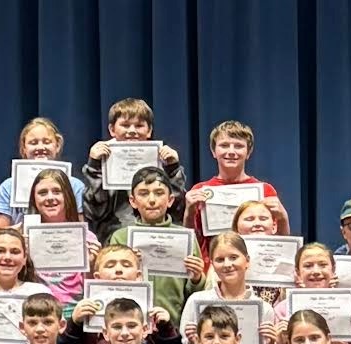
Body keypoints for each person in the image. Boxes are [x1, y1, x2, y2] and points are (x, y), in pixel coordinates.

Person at [107, 167, 205, 322]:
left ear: (170, 200)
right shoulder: (121, 237)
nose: (152, 200)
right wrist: (129, 265)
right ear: (133, 201)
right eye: (144, 193)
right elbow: (110, 285)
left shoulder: (185, 238)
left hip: (173, 325)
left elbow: (195, 293)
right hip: (131, 325)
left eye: (159, 193)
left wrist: (197, 278)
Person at [63, 245, 182, 344]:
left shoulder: (151, 314)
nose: (118, 270)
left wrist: (166, 330)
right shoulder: (85, 312)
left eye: (126, 265)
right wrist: (74, 324)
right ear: (97, 277)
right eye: (110, 265)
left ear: (138, 276)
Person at [83, 98, 187, 240]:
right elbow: (94, 213)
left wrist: (173, 169)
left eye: (139, 126)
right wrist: (94, 167)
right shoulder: (101, 161)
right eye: (125, 125)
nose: (132, 131)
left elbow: (177, 209)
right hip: (116, 241)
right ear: (112, 129)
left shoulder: (163, 159)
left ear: (149, 130)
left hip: (159, 238)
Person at [179, 232, 282, 344]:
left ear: (247, 261)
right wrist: (191, 342)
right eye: (220, 260)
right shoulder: (196, 301)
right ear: (212, 264)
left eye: (233, 257)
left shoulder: (263, 309)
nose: (227, 264)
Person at [183, 121, 289, 258]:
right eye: (224, 145)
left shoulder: (265, 190)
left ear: (248, 152)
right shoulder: (200, 190)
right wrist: (189, 213)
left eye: (238, 146)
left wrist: (283, 216)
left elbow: (281, 245)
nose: (231, 151)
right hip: (213, 269)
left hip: (255, 265)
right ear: (213, 151)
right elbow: (192, 246)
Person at [269, 243, 351, 344]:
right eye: (308, 266)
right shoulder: (282, 310)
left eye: (323, 265)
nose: (316, 271)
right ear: (297, 272)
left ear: (333, 269)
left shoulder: (350, 308)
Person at [23, 168, 100, 311]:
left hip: (75, 310)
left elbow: (94, 291)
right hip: (36, 310)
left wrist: (91, 264)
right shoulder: (22, 236)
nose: (50, 197)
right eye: (42, 193)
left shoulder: (87, 238)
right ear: (34, 199)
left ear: (68, 196)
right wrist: (22, 260)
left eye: (57, 191)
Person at [0, 117, 87, 231]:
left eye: (47, 142)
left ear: (57, 146)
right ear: (24, 148)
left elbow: (81, 229)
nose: (41, 147)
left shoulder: (75, 186)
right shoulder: (8, 187)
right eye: (33, 143)